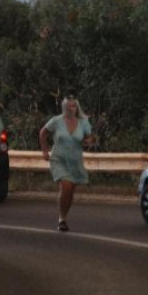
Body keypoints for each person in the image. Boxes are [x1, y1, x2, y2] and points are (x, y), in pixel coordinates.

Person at [39, 91, 96, 231]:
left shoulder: (83, 122)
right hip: (59, 159)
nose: (72, 109)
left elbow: (90, 138)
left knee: (70, 192)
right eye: (69, 106)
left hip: (75, 162)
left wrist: (89, 141)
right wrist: (45, 150)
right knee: (66, 186)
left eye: (74, 106)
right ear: (65, 107)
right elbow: (43, 132)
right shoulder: (56, 121)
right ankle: (62, 219)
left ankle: (64, 215)